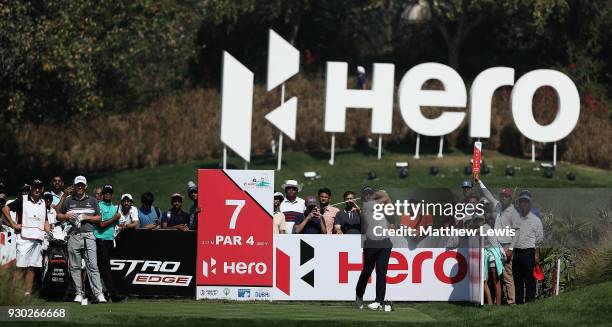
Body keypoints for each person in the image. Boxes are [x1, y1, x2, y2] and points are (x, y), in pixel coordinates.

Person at [56, 175, 106, 303]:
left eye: (82, 185)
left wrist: (86, 217)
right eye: (78, 185)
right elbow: (58, 216)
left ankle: (98, 294)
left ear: (85, 186)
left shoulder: (93, 200)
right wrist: (67, 215)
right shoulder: (68, 200)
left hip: (89, 235)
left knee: (93, 266)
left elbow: (99, 218)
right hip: (74, 235)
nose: (80, 187)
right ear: (75, 185)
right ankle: (78, 293)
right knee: (75, 266)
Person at [1, 179, 50, 296]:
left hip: (37, 239)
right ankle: (14, 294)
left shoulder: (43, 203)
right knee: (20, 268)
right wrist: (13, 224)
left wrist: (48, 229)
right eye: (35, 187)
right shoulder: (23, 200)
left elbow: (46, 220)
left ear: (42, 189)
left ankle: (27, 294)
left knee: (32, 268)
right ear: (31, 189)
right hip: (24, 239)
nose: (37, 189)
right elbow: (5, 209)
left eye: (40, 187)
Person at [476, 177, 521, 304]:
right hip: (495, 245)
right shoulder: (497, 206)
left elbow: (517, 231)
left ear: (510, 198)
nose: (504, 197)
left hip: (506, 246)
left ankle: (511, 302)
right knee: (494, 276)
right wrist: (479, 181)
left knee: (506, 275)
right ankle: (497, 302)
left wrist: (511, 249)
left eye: (506, 196)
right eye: (502, 195)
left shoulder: (513, 212)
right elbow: (487, 194)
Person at [356, 189, 394, 311]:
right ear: (363, 198)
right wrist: (379, 193)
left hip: (384, 243)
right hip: (370, 245)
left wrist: (377, 194)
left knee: (381, 273)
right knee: (367, 271)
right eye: (365, 194)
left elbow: (387, 198)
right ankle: (359, 294)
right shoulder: (367, 206)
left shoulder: (378, 205)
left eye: (370, 194)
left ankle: (379, 301)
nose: (368, 196)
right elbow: (385, 197)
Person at [93, 184, 126, 302]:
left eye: (109, 192)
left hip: (109, 241)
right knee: (104, 269)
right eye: (105, 192)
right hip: (99, 240)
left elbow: (116, 224)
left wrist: (119, 224)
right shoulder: (98, 206)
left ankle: (99, 295)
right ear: (102, 194)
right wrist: (114, 218)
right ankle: (113, 294)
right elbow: (101, 225)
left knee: (102, 269)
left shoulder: (115, 207)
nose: (107, 194)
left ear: (112, 194)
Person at [510, 190, 544, 304]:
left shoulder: (536, 220)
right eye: (522, 201)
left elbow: (539, 240)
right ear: (519, 203)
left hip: (529, 253)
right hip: (517, 253)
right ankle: (519, 303)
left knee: (530, 280)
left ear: (530, 203)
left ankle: (530, 303)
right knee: (517, 280)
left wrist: (537, 254)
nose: (524, 204)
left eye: (526, 201)